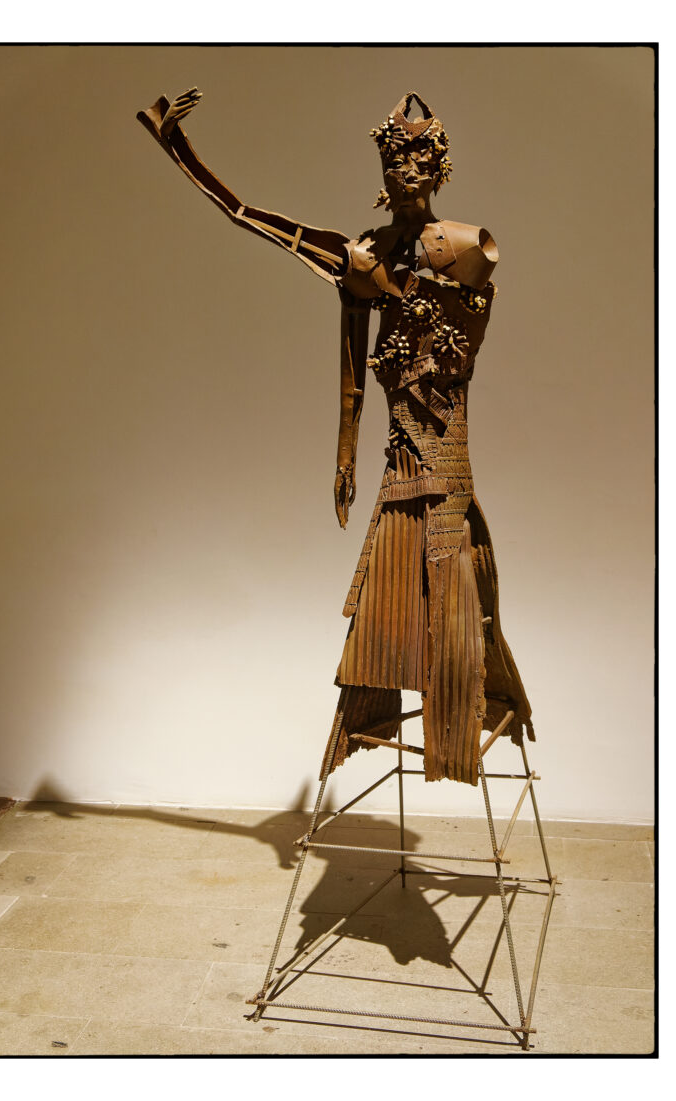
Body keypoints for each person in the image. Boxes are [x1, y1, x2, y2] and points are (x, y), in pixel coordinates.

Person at [138, 88, 534, 786]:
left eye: (417, 159)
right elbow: (264, 231)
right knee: (383, 608)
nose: (405, 172)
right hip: (399, 461)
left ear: (437, 167)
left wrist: (420, 298)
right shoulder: (363, 257)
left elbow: (466, 333)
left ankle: (459, 730)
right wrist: (345, 456)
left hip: (443, 458)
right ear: (383, 169)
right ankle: (382, 720)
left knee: (455, 604)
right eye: (395, 160)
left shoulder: (468, 245)